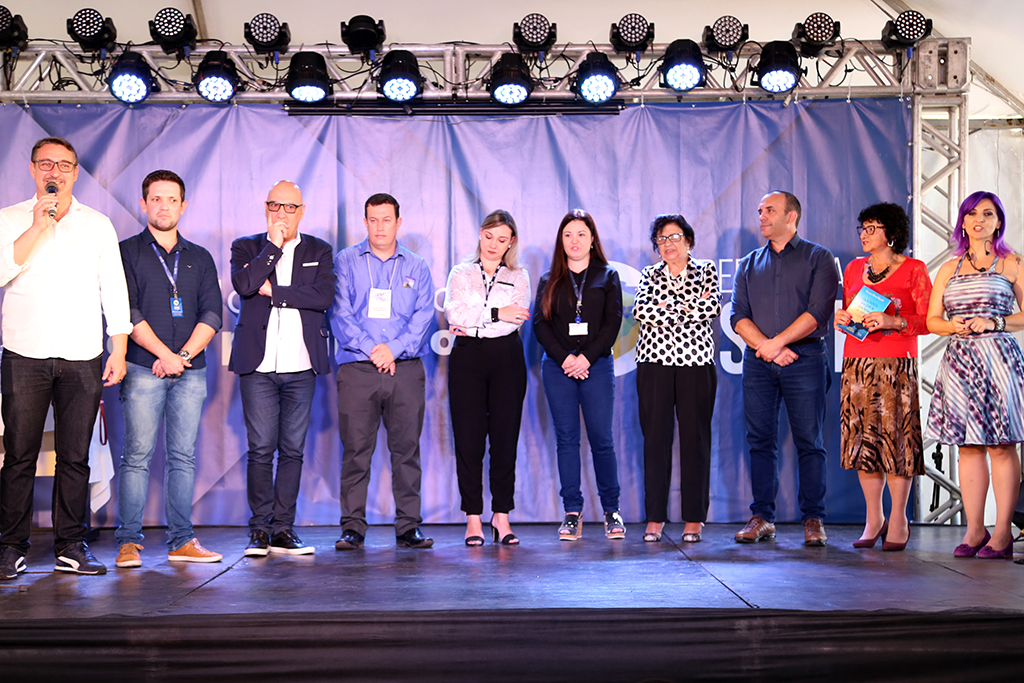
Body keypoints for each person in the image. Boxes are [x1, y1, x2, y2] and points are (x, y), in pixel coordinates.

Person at [0, 137, 131, 579]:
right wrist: (37, 225)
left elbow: (113, 288)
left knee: (76, 455)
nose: (54, 173)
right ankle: (10, 546)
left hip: (82, 355)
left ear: (76, 173)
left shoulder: (97, 224)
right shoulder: (11, 218)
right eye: (46, 165)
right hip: (24, 354)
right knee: (18, 454)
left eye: (64, 166)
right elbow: (1, 271)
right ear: (33, 169)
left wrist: (119, 346)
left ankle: (71, 545)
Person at [115, 170, 223, 568]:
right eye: (156, 199)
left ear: (183, 205)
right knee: (137, 456)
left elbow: (212, 312)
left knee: (183, 457)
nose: (164, 206)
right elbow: (128, 312)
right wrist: (164, 355)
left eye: (172, 199)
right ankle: (128, 541)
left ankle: (182, 540)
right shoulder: (126, 252)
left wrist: (182, 357)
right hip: (144, 368)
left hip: (189, 372)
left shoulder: (199, 257)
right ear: (143, 204)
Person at [230, 181, 335, 557]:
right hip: (257, 365)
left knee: (292, 450)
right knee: (260, 449)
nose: (282, 213)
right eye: (276, 206)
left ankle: (283, 529)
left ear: (301, 211)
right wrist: (272, 248)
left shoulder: (319, 250)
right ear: (266, 207)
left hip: (301, 364)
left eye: (290, 207)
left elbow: (324, 296)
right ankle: (259, 529)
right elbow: (244, 284)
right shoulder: (247, 247)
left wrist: (277, 293)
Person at [730, 191, 839, 547]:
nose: (761, 216)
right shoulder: (747, 263)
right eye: (760, 210)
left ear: (791, 217)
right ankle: (762, 516)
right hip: (760, 362)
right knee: (760, 440)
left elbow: (819, 311)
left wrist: (777, 345)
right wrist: (770, 349)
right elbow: (737, 317)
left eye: (769, 211)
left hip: (805, 359)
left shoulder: (819, 258)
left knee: (810, 441)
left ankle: (814, 518)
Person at [331, 193, 435, 550]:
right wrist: (375, 352)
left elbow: (424, 317)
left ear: (398, 223)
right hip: (358, 368)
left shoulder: (417, 265)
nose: (379, 227)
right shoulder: (345, 261)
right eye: (373, 220)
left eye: (386, 219)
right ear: (364, 222)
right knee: (356, 451)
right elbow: (340, 314)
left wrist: (394, 349)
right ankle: (352, 527)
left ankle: (409, 526)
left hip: (405, 369)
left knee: (406, 451)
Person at [926, 191, 1024, 560]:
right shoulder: (949, 269)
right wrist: (952, 325)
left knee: (1001, 445)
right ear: (962, 223)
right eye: (971, 214)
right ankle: (975, 529)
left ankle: (1002, 533)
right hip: (960, 361)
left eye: (987, 213)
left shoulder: (1013, 263)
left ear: (998, 221)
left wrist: (995, 320)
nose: (978, 219)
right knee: (967, 446)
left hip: (999, 359)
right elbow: (932, 320)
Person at [834, 203, 932, 552]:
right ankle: (873, 518)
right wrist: (842, 318)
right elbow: (851, 309)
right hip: (857, 363)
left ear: (891, 233)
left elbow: (929, 319)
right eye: (861, 227)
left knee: (896, 445)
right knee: (863, 444)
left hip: (895, 364)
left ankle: (899, 519)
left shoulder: (914, 270)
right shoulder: (854, 268)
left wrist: (895, 321)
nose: (864, 233)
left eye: (872, 227)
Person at [533, 209, 625, 541]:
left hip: (596, 366)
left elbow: (613, 322)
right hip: (558, 368)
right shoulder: (549, 278)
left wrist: (586, 357)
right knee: (567, 440)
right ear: (561, 240)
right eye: (568, 235)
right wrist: (565, 359)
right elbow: (540, 325)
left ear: (592, 239)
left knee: (602, 439)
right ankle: (572, 511)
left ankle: (612, 510)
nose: (575, 241)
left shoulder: (607, 275)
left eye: (581, 234)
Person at [443, 210, 530, 546]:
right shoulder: (461, 273)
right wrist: (496, 312)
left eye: (502, 239)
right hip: (468, 358)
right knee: (469, 440)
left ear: (511, 242)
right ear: (480, 234)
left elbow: (517, 318)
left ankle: (502, 517)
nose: (495, 245)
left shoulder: (518, 275)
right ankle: (473, 519)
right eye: (490, 236)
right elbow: (455, 314)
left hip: (508, 358)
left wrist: (482, 319)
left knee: (505, 441)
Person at [633, 214, 720, 544]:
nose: (667, 244)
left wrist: (669, 306)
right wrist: (685, 307)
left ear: (689, 240)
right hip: (654, 363)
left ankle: (694, 518)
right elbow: (643, 310)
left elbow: (710, 307)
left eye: (674, 237)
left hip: (695, 364)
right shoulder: (649, 274)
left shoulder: (706, 270)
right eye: (661, 239)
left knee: (695, 440)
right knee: (655, 439)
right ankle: (655, 517)